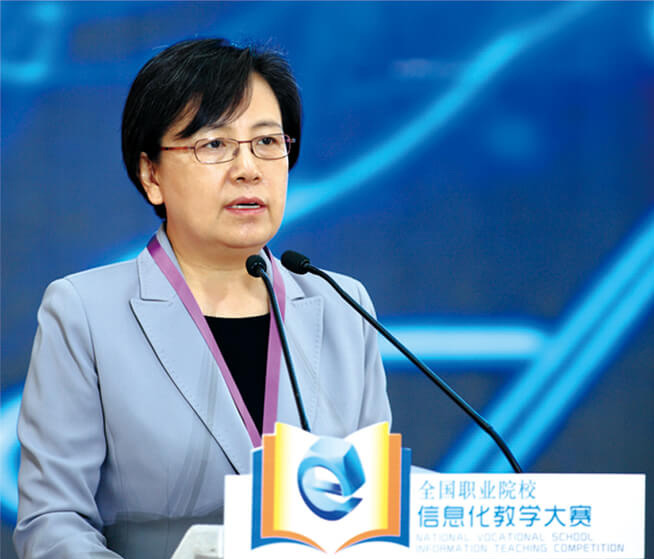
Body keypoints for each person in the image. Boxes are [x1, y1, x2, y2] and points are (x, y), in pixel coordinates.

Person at [14, 38, 391, 559]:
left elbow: (372, 516)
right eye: (214, 145)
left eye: (267, 141)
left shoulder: (343, 306)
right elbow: (52, 523)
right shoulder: (84, 313)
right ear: (151, 174)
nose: (248, 168)